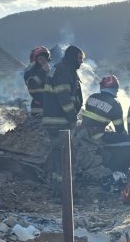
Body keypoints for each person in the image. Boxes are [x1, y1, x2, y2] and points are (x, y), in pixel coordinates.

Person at [41, 45, 86, 192]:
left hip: (54, 121)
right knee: (66, 157)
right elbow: (64, 98)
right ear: (73, 57)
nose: (81, 61)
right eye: (79, 58)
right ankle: (65, 191)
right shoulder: (63, 71)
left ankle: (58, 189)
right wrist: (73, 118)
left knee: (57, 156)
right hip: (60, 122)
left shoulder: (60, 68)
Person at [24, 46, 50, 118]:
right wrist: (43, 72)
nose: (44, 60)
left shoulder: (49, 72)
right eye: (40, 58)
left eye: (45, 58)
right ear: (35, 61)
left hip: (49, 107)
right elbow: (34, 89)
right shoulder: (29, 73)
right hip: (38, 108)